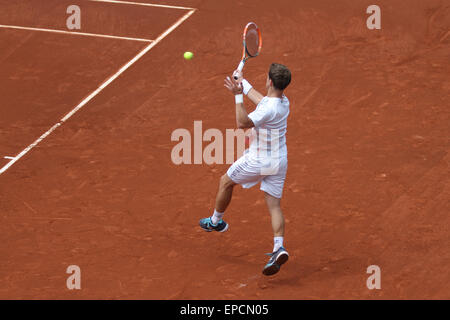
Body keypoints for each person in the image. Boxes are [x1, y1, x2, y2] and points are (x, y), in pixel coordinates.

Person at [199, 63, 292, 276]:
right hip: (279, 161)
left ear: (269, 81)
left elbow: (242, 123)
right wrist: (243, 82)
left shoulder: (268, 108)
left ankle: (215, 222)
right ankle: (279, 247)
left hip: (259, 160)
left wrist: (237, 95)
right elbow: (263, 100)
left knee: (226, 181)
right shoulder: (283, 102)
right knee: (274, 205)